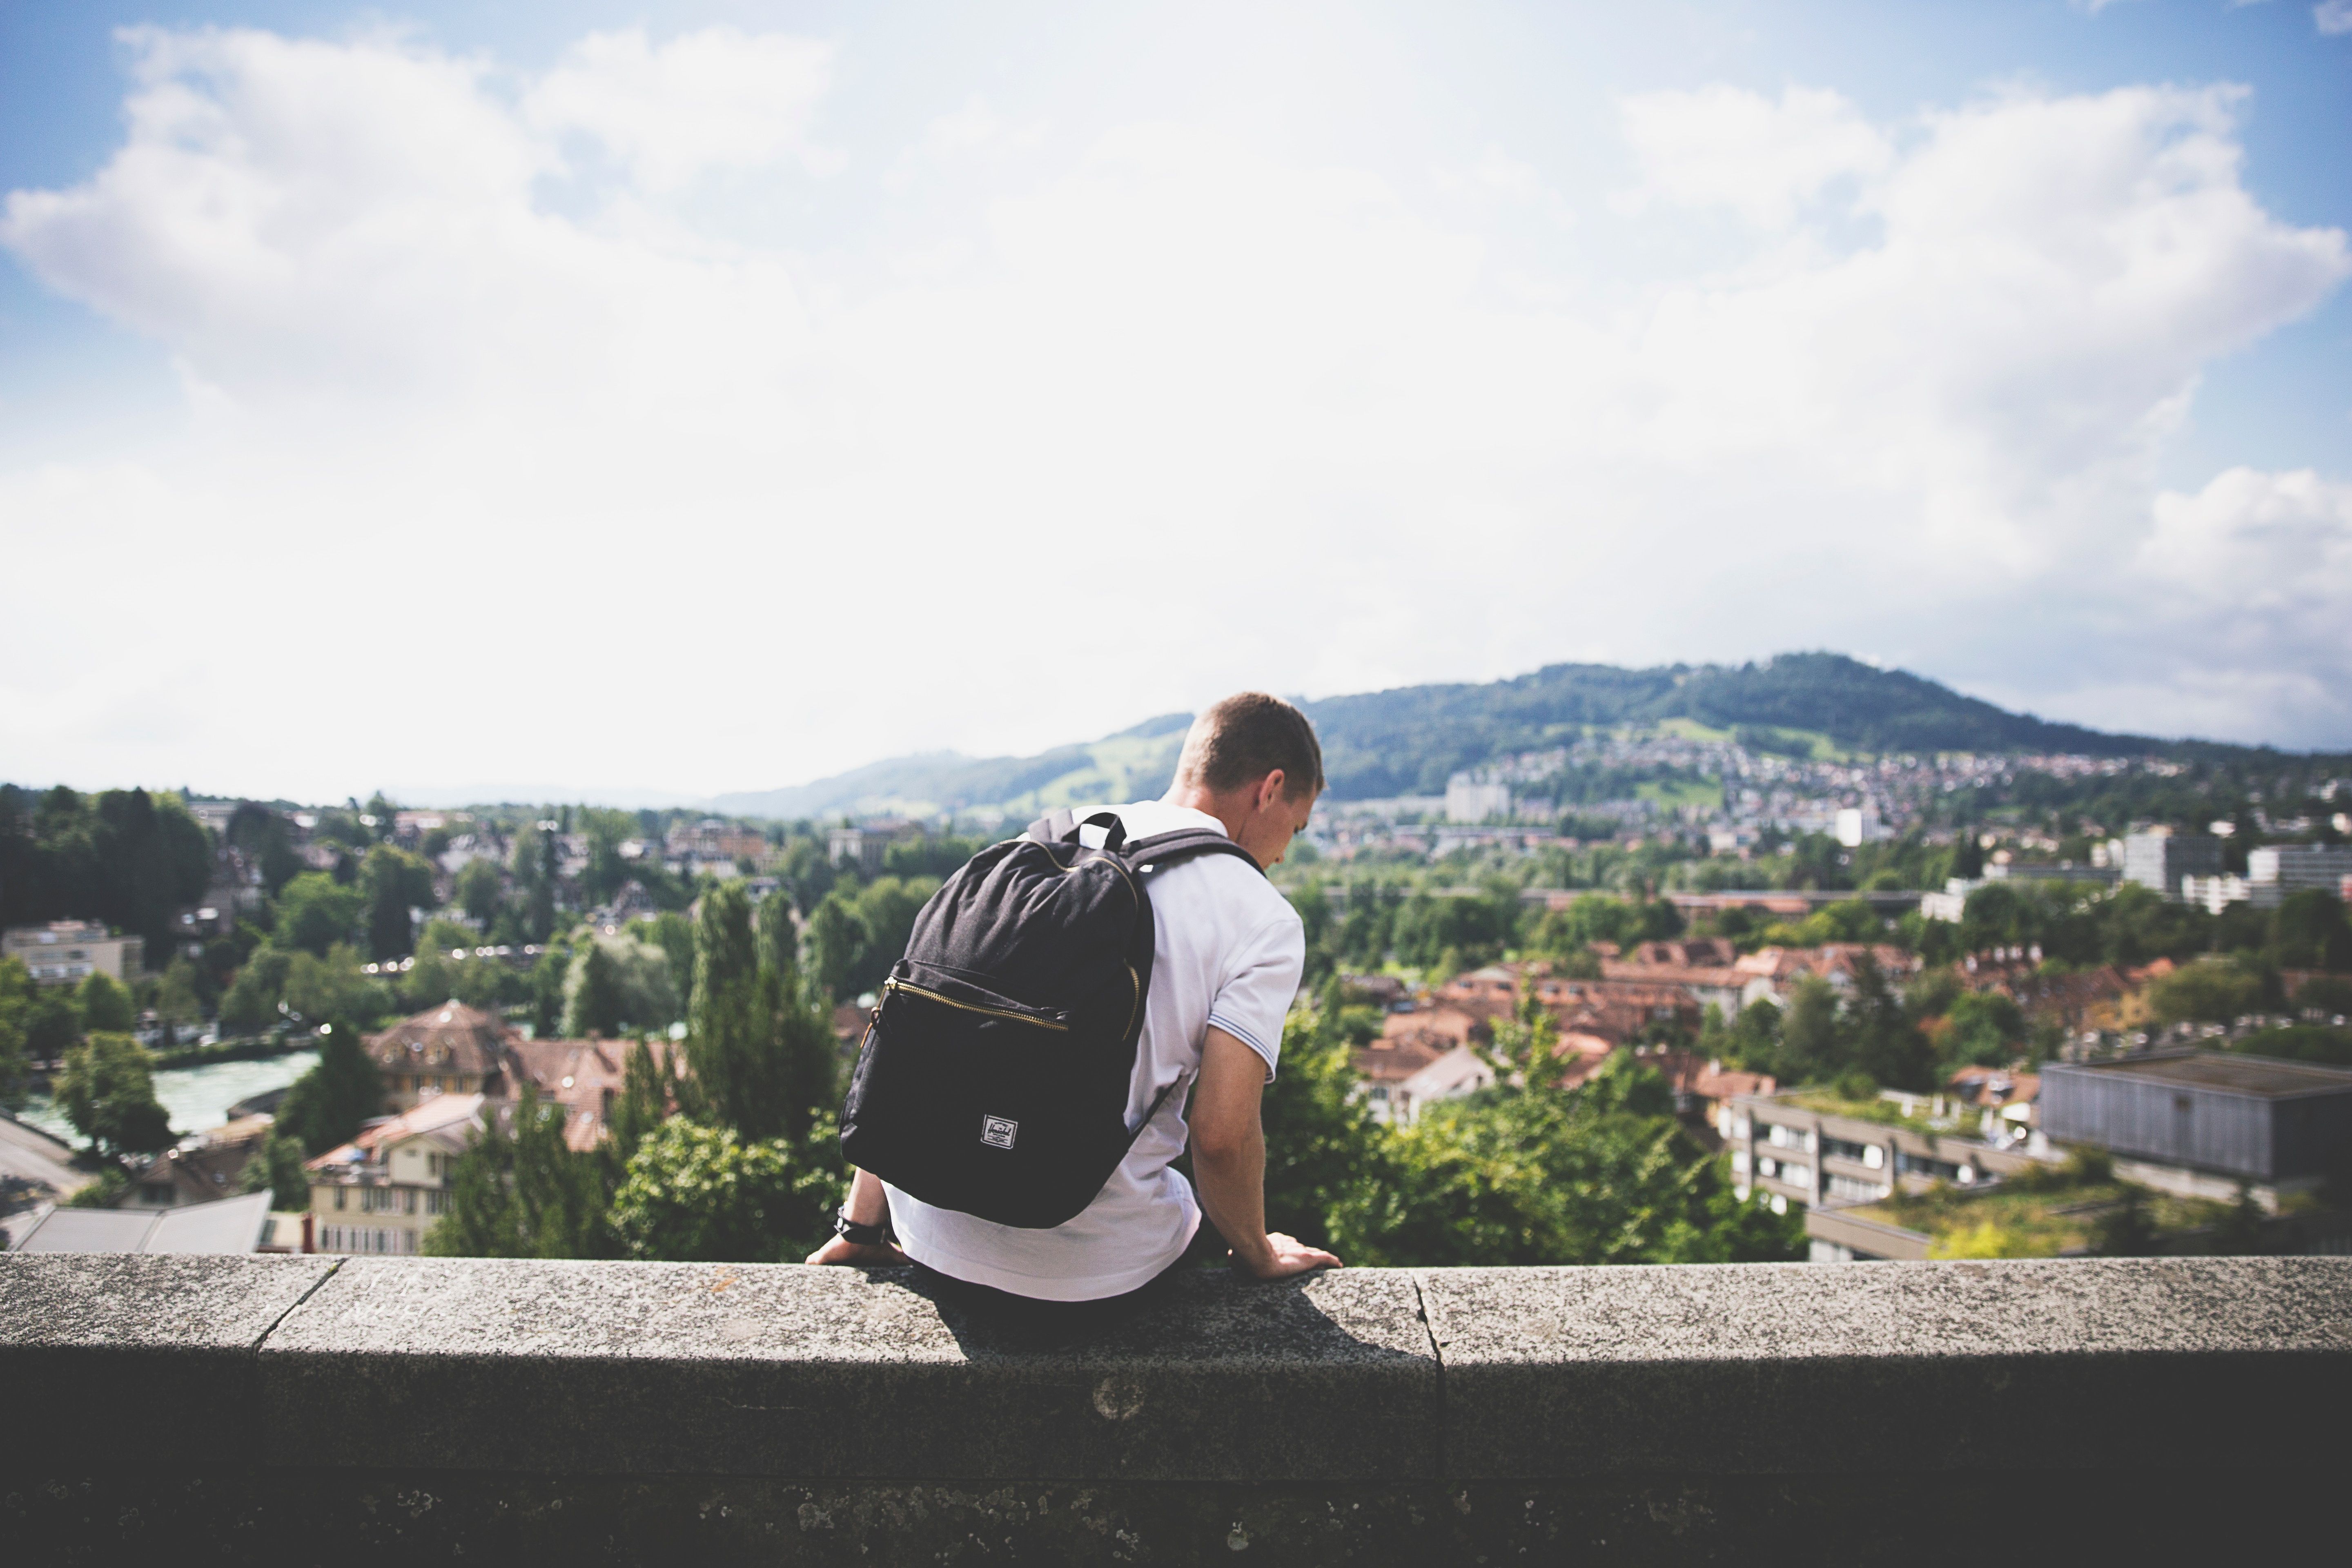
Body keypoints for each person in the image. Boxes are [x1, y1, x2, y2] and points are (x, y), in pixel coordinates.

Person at [806, 691, 1341, 1327]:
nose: (1284, 851)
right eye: (1297, 826)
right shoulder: (1262, 917)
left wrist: (863, 1224)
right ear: (1271, 789)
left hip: (928, 1234)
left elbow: (925, 1037)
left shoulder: (1041, 840)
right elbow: (1222, 1137)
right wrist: (1258, 1254)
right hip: (1091, 1276)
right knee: (1179, 1212)